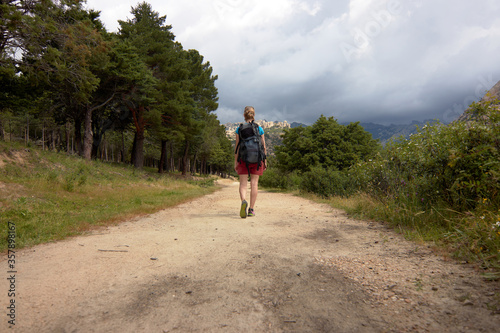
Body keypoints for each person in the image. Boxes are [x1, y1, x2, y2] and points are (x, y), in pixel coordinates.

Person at [234, 106, 267, 218]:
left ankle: (243, 200)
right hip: (257, 159)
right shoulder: (259, 128)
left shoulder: (239, 129)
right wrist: (265, 161)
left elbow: (237, 148)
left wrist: (236, 162)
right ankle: (251, 209)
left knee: (243, 184)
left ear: (244, 115)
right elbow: (264, 147)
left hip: (243, 159)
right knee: (254, 184)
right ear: (254, 115)